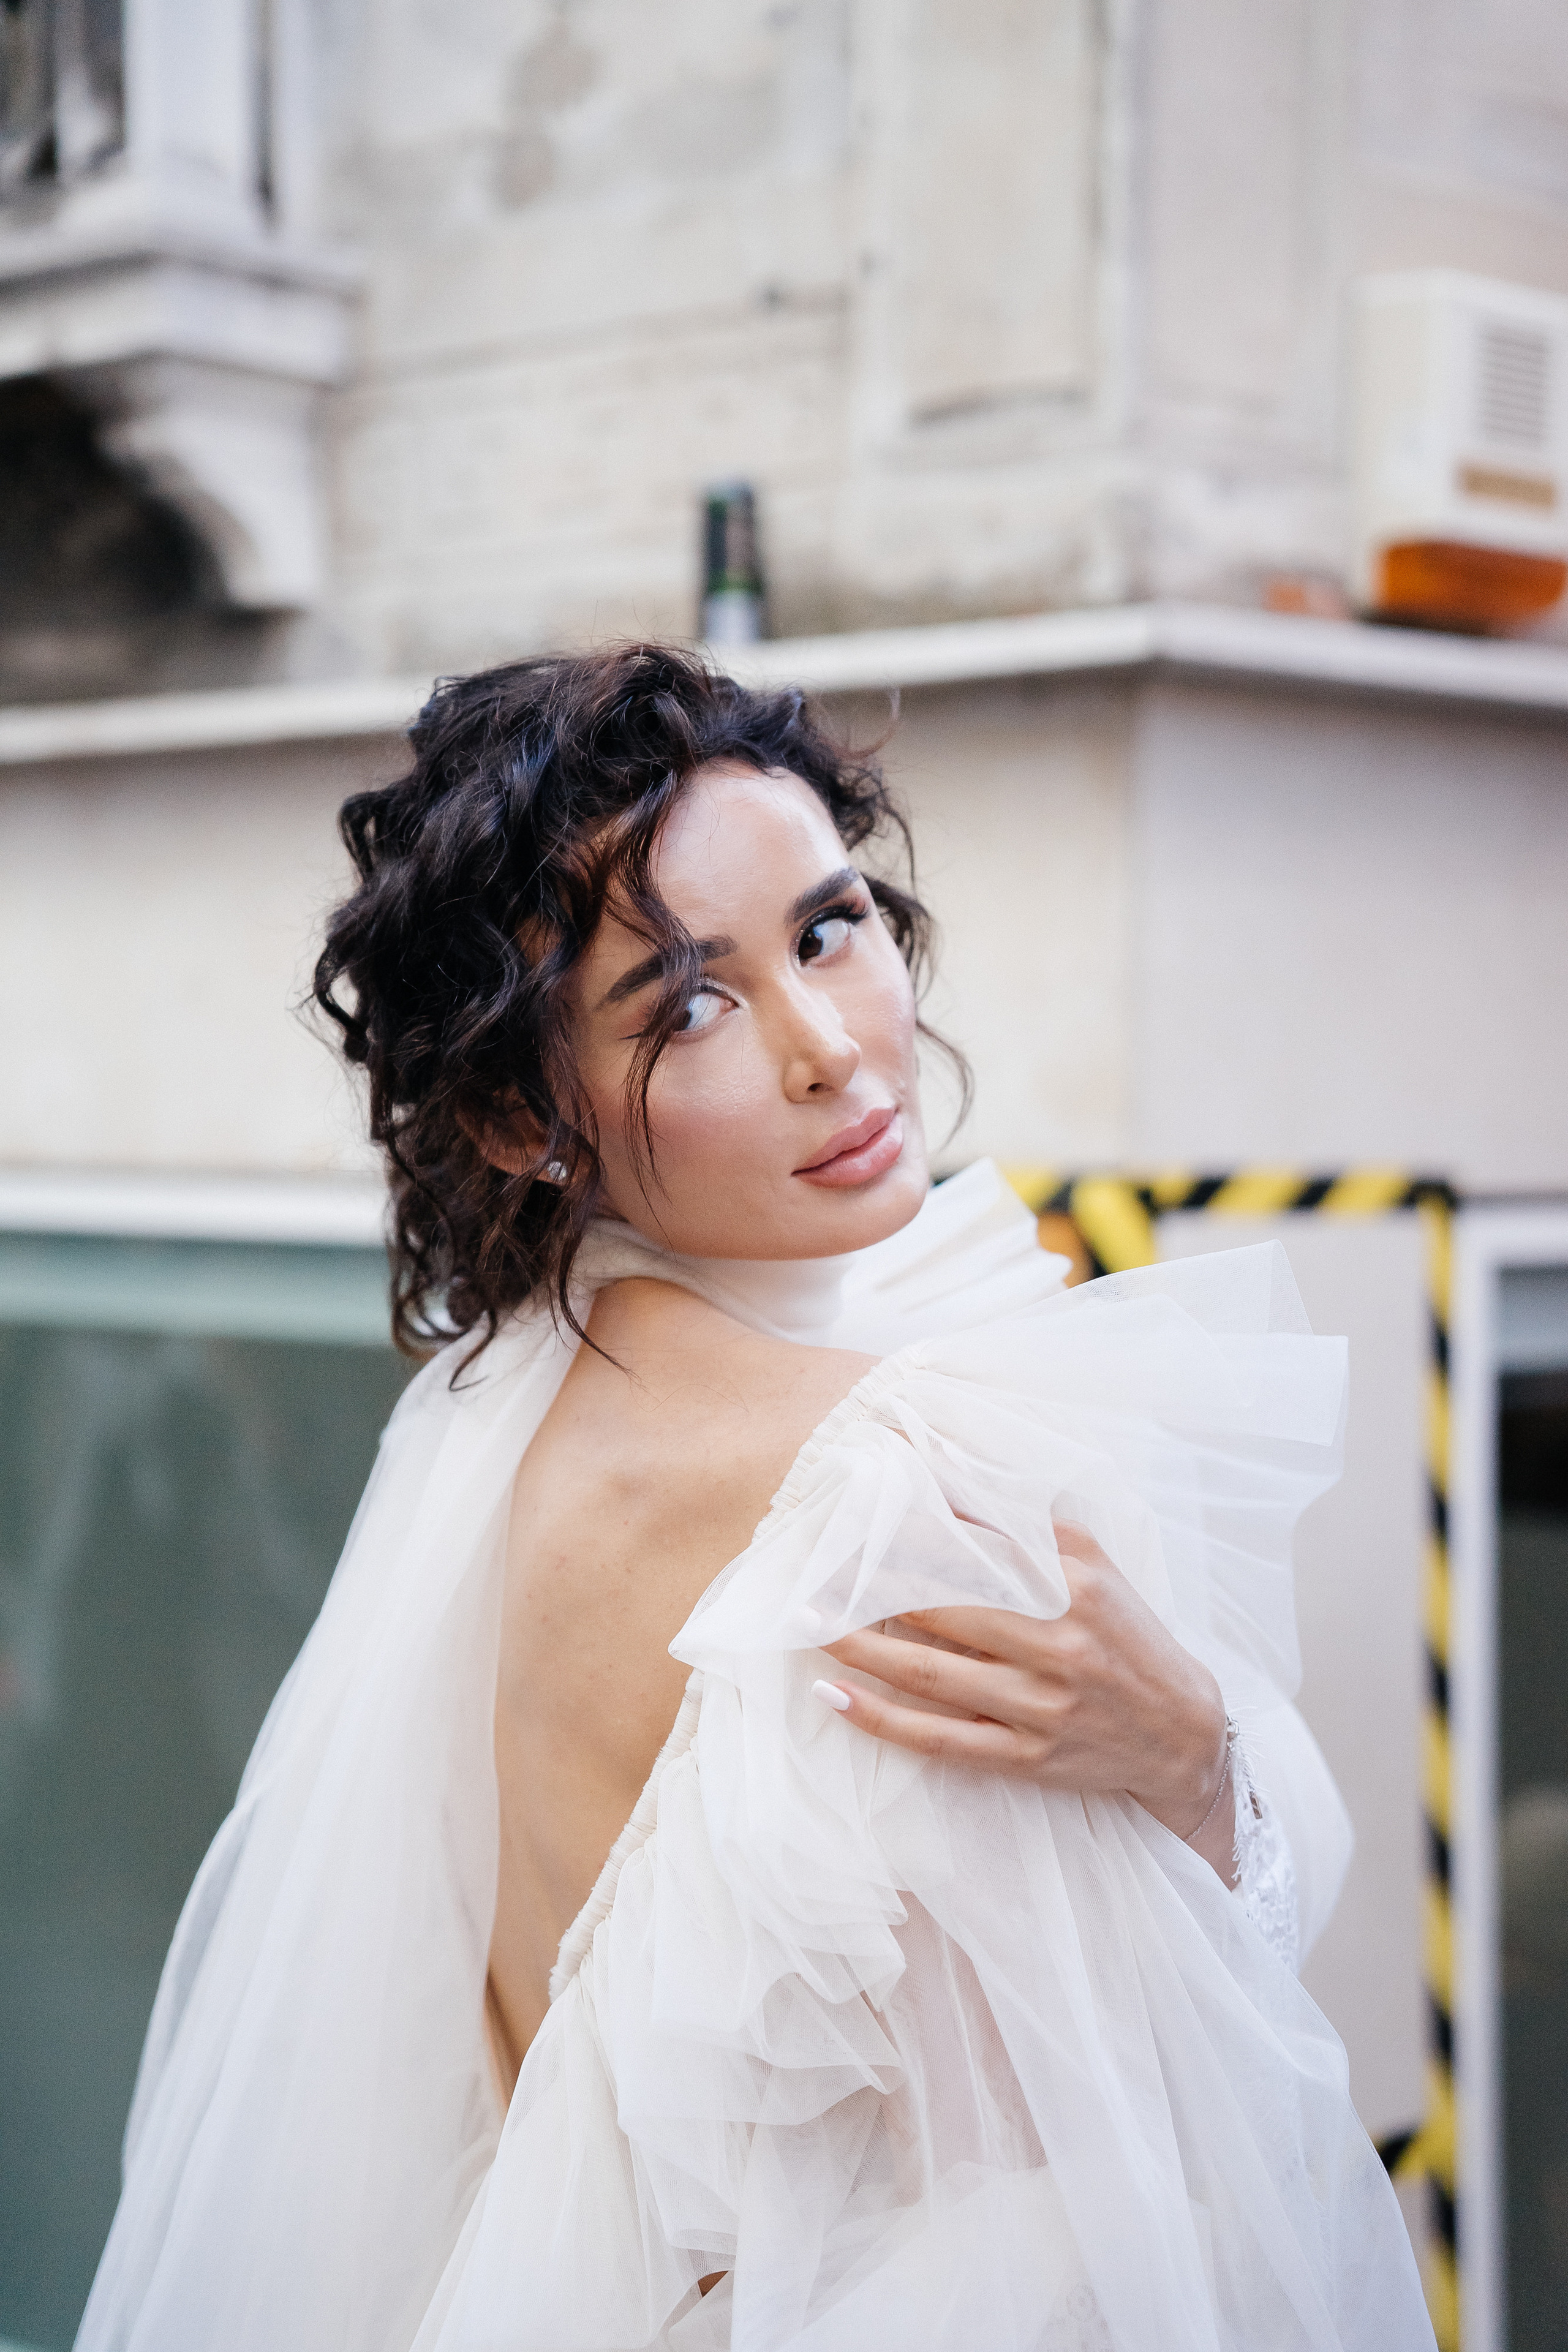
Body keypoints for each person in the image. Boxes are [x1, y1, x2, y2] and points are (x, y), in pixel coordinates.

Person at [78, 646, 1434, 2351]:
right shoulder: (885, 1476)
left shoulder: (526, 1414)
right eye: (689, 1008)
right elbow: (1125, 2127)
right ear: (519, 1117)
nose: (832, 1049)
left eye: (829, 930)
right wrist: (1194, 1761)